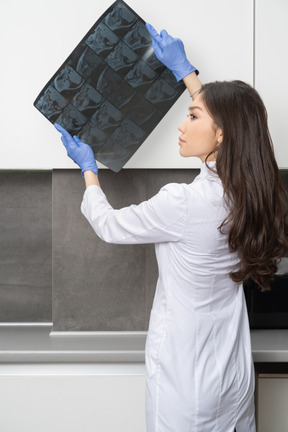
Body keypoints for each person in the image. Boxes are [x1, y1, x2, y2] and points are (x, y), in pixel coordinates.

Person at [54, 23, 288, 432]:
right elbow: (227, 119)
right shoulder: (251, 192)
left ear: (221, 134)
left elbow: (108, 225)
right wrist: (186, 72)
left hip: (187, 386)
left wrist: (89, 171)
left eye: (191, 116)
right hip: (232, 377)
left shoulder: (183, 202)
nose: (182, 125)